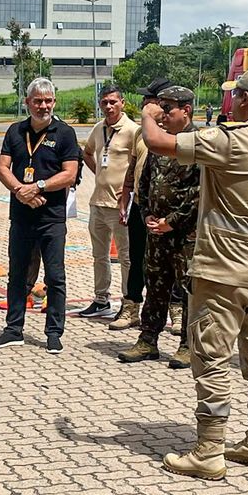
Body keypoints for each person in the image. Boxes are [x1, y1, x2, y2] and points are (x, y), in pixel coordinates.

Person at [139, 68, 248, 479]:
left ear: (244, 99)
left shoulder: (233, 139)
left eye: (234, 96)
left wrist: (149, 113)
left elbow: (158, 143)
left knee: (211, 359)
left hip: (222, 271)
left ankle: (208, 451)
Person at [0, 77, 81, 351]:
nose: (43, 106)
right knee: (17, 275)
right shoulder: (15, 131)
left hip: (51, 218)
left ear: (54, 102)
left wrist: (38, 186)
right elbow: (2, 168)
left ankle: (53, 333)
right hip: (21, 217)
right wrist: (20, 191)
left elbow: (70, 174)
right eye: (38, 101)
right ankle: (13, 329)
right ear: (27, 102)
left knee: (55, 277)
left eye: (48, 101)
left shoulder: (65, 133)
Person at [119, 85, 198, 366]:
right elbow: (144, 181)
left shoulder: (199, 143)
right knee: (154, 285)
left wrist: (172, 222)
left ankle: (188, 345)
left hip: (186, 233)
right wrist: (147, 216)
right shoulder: (159, 143)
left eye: (167, 108)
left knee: (188, 290)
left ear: (186, 110)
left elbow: (199, 192)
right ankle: (148, 340)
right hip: (156, 230)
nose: (161, 114)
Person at [110, 77, 173, 334]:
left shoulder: (178, 132)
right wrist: (125, 196)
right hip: (141, 206)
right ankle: (131, 307)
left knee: (172, 263)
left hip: (170, 210)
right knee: (137, 259)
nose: (144, 103)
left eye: (150, 99)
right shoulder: (140, 132)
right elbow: (133, 166)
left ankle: (177, 311)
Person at [76, 83, 140, 319]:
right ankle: (101, 300)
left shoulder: (133, 131)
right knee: (99, 255)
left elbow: (139, 163)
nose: (109, 106)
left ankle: (129, 302)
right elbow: (87, 153)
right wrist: (100, 174)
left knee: (126, 257)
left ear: (123, 103)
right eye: (104, 102)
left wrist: (127, 191)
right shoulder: (98, 128)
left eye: (113, 101)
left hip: (121, 205)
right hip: (98, 202)